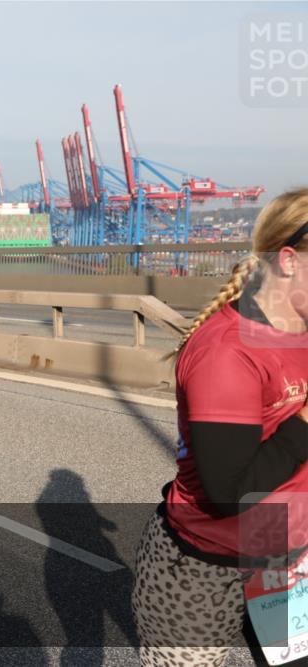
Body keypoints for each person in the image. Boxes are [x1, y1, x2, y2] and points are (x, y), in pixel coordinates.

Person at [132, 188, 308, 667]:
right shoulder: (226, 353)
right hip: (204, 566)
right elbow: (228, 493)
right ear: (289, 261)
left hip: (286, 563)